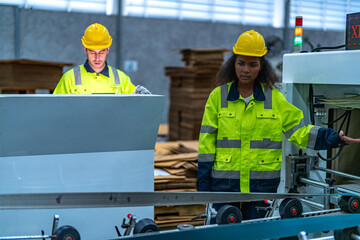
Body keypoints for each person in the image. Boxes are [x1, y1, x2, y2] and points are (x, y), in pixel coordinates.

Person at [197, 30, 360, 221]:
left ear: (261, 66)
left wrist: (332, 138)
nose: (246, 70)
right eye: (241, 63)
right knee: (222, 234)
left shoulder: (274, 98)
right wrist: (203, 184)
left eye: (253, 64)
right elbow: (206, 143)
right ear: (233, 63)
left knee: (257, 234)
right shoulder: (218, 97)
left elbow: (299, 131)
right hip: (224, 184)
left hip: (261, 186)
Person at [53, 23, 150, 94]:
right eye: (92, 52)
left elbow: (133, 101)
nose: (97, 57)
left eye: (101, 52)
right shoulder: (69, 78)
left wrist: (138, 93)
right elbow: (57, 108)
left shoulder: (121, 78)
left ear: (108, 49)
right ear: (85, 50)